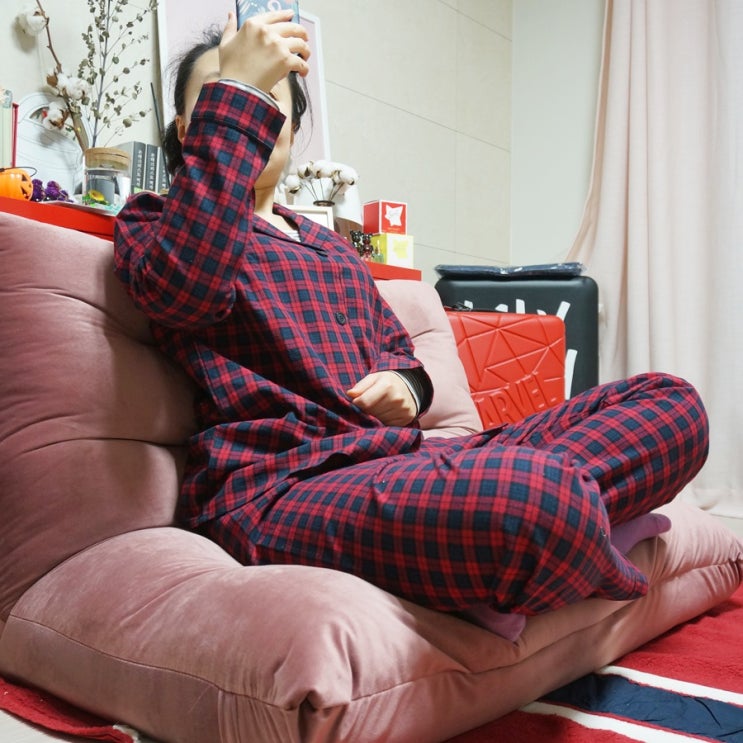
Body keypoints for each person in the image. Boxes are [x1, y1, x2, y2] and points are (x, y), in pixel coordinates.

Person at [113, 10, 709, 635]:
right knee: (535, 497)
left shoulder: (331, 247)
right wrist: (239, 90)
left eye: (269, 98)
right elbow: (184, 294)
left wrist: (407, 386)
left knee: (673, 405)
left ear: (292, 127)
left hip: (405, 459)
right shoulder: (157, 222)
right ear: (191, 128)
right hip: (284, 484)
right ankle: (574, 534)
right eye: (234, 95)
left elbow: (403, 356)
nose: (255, 110)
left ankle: (547, 542)